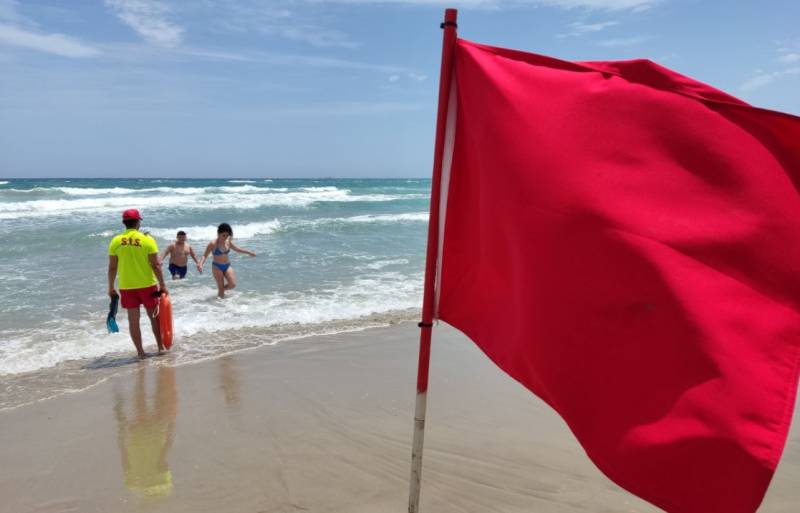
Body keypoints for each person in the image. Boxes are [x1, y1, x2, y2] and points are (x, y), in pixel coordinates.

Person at [108, 209, 168, 359]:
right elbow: (155, 265)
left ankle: (140, 353)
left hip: (127, 287)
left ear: (124, 223)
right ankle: (160, 347)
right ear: (138, 222)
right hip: (147, 285)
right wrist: (163, 285)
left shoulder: (115, 241)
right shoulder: (147, 240)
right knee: (154, 317)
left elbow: (112, 267)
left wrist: (110, 286)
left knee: (133, 321)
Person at [198, 223, 256, 299]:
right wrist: (201, 264)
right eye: (223, 235)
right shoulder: (213, 244)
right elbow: (205, 255)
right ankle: (220, 304)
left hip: (227, 266)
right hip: (217, 267)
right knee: (221, 289)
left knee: (232, 284)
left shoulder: (228, 242)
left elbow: (237, 249)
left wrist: (249, 252)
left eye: (227, 235)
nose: (225, 237)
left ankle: (220, 291)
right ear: (218, 234)